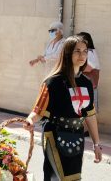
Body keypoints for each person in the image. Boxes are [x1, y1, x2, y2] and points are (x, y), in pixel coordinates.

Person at [24, 36, 102, 181]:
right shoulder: (53, 81)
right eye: (77, 51)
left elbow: (90, 116)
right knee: (58, 177)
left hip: (77, 135)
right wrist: (30, 120)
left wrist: (97, 144)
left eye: (85, 51)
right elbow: (38, 110)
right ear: (67, 53)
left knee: (74, 177)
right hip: (54, 134)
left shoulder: (87, 83)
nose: (82, 55)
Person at [77, 32, 100, 112]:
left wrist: (76, 67)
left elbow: (89, 68)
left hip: (88, 86)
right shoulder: (90, 51)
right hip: (88, 86)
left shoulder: (89, 52)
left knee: (88, 112)